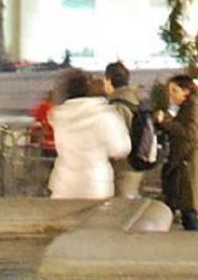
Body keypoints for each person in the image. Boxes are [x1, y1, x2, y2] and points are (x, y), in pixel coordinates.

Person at [48, 71, 131, 199]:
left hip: (63, 184)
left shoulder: (58, 115)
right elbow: (120, 149)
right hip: (95, 185)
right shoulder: (104, 115)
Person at [157, 72, 198, 230]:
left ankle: (194, 245)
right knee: (185, 209)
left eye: (174, 90)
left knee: (188, 210)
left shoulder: (195, 107)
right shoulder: (185, 108)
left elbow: (191, 133)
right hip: (182, 164)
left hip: (188, 164)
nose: (171, 95)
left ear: (186, 91)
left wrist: (165, 121)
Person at [104, 60, 144, 200]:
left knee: (122, 208)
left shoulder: (117, 105)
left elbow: (114, 139)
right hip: (136, 161)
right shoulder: (134, 100)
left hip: (123, 165)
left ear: (109, 81)